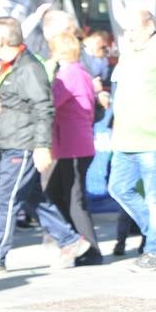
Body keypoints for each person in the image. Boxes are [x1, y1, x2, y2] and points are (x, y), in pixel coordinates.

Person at [0, 17, 89, 275]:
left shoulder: (30, 68)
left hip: (22, 143)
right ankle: (71, 241)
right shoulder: (2, 64)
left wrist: (41, 146)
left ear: (3, 40)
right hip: (8, 139)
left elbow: (43, 108)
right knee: (33, 197)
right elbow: (1, 97)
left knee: (6, 200)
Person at [105, 9, 156, 272]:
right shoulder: (129, 54)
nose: (127, 36)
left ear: (150, 26)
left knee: (155, 197)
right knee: (118, 188)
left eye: (133, 30)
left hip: (153, 138)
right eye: (125, 31)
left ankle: (154, 251)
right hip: (125, 139)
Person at [48, 31, 102, 263]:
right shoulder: (80, 72)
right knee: (63, 193)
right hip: (77, 143)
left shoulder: (68, 74)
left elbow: (52, 101)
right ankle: (77, 243)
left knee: (73, 198)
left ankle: (90, 249)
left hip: (72, 145)